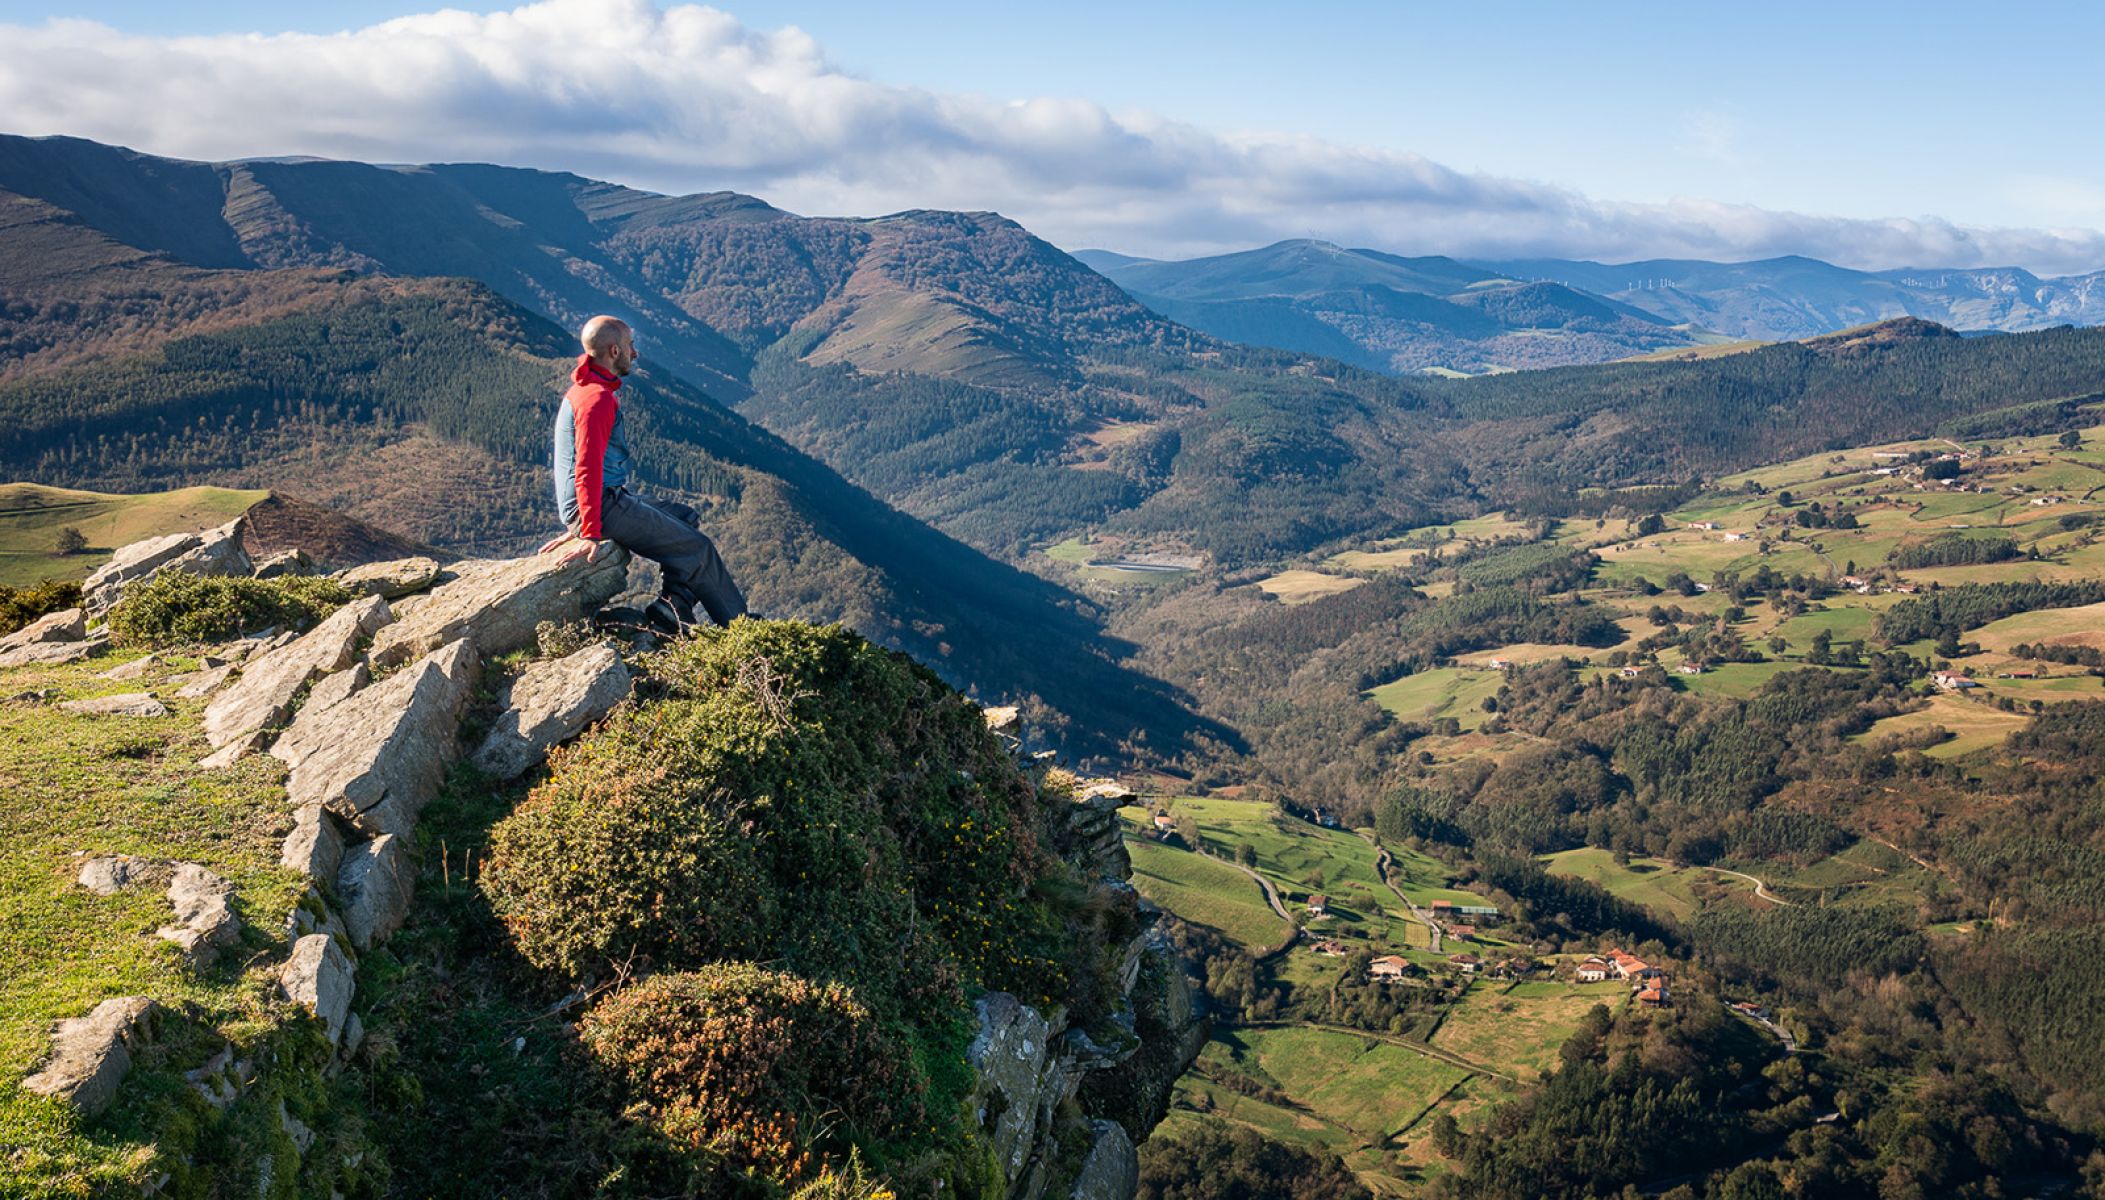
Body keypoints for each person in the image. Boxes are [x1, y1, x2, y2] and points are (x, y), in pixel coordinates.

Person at [540, 315, 747, 632]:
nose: (634, 353)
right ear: (613, 351)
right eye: (629, 346)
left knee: (685, 516)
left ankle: (672, 607)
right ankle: (742, 630)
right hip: (603, 505)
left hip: (601, 501)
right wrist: (588, 528)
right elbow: (586, 467)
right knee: (698, 548)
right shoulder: (595, 399)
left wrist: (578, 517)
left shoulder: (586, 388)